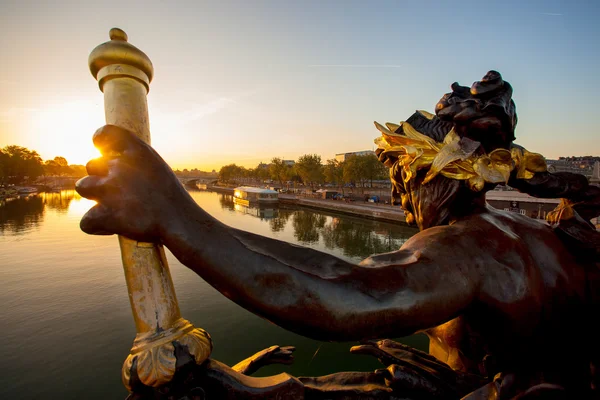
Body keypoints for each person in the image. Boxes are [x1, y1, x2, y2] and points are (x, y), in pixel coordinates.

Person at [76, 71, 600, 399]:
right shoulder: (536, 232)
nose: (400, 200)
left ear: (431, 176)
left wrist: (174, 218)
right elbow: (328, 267)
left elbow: (340, 292)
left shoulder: (464, 246)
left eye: (403, 183)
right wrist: (194, 221)